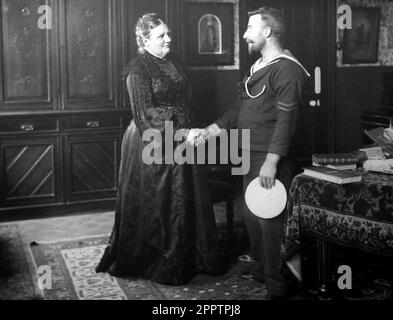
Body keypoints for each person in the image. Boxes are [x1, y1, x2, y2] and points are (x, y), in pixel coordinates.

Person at [95, 13, 221, 285]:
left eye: (169, 33)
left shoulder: (174, 62)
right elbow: (145, 114)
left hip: (185, 138)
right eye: (162, 35)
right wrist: (182, 131)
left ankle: (193, 258)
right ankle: (159, 262)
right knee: (161, 200)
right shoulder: (137, 70)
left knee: (187, 197)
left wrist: (192, 129)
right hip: (151, 140)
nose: (169, 39)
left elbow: (184, 100)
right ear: (144, 40)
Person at [201, 7, 310, 299]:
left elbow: (287, 122)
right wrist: (212, 129)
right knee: (251, 216)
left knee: (270, 221)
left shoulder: (286, 69)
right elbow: (240, 109)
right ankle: (263, 268)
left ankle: (278, 285)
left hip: (269, 158)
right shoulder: (261, 65)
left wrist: (272, 162)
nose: (246, 34)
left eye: (250, 27)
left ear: (267, 32)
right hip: (249, 153)